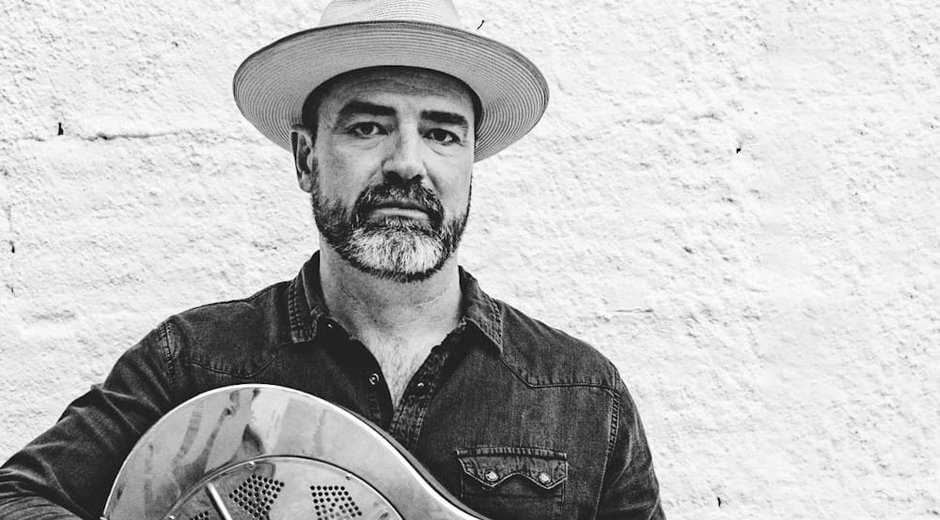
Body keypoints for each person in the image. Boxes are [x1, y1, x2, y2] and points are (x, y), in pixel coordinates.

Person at [0, 0, 664, 518]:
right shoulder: (192, 363)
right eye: (368, 127)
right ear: (306, 158)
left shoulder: (580, 393)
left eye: (441, 133)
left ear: (468, 165)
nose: (408, 163)